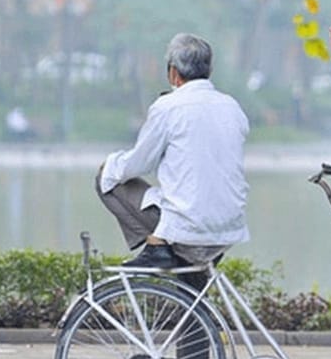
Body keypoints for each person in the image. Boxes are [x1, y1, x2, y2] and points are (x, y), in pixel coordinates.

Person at [96, 33, 250, 277]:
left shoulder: (168, 107)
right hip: (227, 228)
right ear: (208, 70)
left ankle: (158, 247)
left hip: (189, 229)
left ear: (173, 72)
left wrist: (111, 164)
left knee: (106, 176)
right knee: (191, 298)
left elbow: (139, 163)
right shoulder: (231, 106)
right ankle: (182, 278)